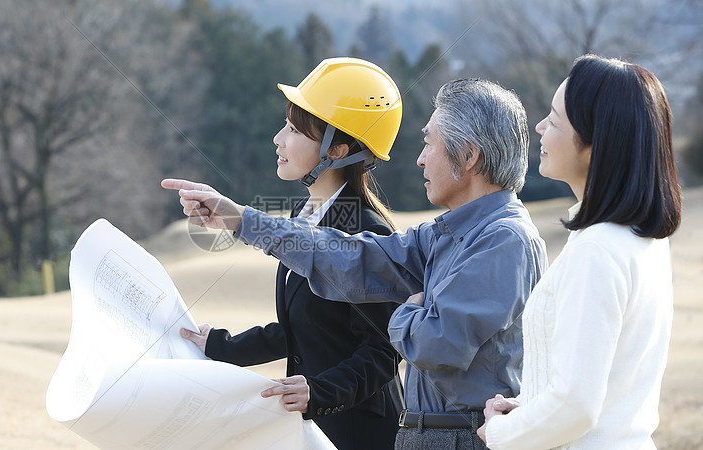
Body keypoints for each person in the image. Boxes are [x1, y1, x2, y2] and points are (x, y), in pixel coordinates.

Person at [163, 77, 548, 450]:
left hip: (457, 437)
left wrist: (406, 314)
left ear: (469, 157)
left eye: (429, 144)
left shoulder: (503, 240)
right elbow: (351, 260)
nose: (419, 159)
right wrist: (240, 219)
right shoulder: (443, 233)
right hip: (427, 433)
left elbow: (436, 344)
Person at [178, 57, 406, 450]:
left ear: (337, 149)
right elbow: (305, 329)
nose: (278, 139)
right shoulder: (304, 216)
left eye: (295, 130)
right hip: (313, 430)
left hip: (361, 434)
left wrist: (320, 392)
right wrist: (221, 346)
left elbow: (384, 351)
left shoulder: (368, 232)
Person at [477, 55, 682, 449]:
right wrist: (529, 408)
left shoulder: (599, 250)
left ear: (594, 143)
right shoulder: (639, 238)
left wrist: (501, 433)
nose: (539, 127)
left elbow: (576, 404)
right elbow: (602, 387)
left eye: (553, 120)